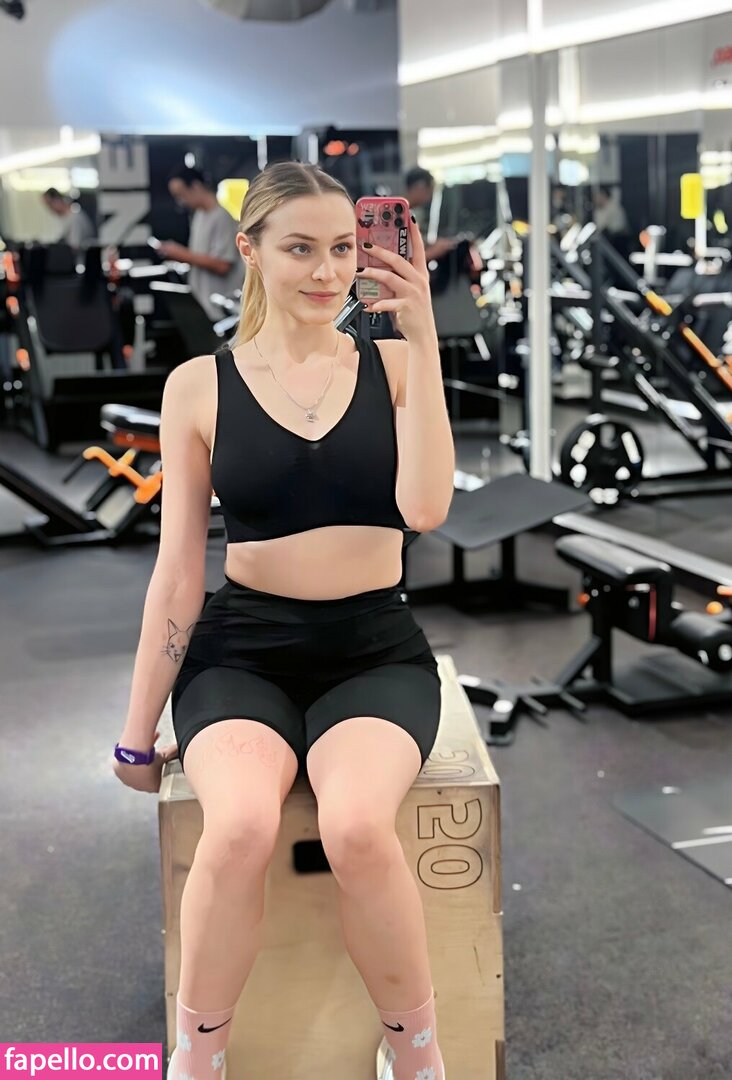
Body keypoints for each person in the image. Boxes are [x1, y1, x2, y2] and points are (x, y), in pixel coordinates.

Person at [112, 160, 455, 1080]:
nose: (328, 270)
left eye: (344, 248)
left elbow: (425, 509)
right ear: (251, 251)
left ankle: (417, 1056)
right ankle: (198, 1056)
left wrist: (423, 337)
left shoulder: (394, 366)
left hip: (372, 652)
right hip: (243, 654)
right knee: (236, 829)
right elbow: (178, 571)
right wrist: (136, 731)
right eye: (300, 248)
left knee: (357, 828)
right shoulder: (199, 385)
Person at [159, 165, 244, 321]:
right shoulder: (199, 215)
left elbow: (223, 265)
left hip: (221, 310)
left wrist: (182, 254)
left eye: (182, 194)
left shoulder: (222, 217)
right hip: (202, 306)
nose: (181, 201)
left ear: (196, 186)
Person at [404, 166, 457, 263]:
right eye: (430, 190)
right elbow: (402, 260)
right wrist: (433, 252)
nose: (431, 196)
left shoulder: (413, 213)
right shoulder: (399, 216)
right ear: (420, 186)